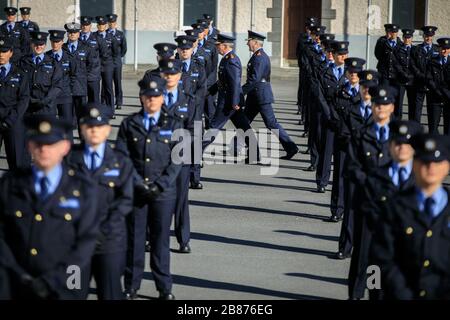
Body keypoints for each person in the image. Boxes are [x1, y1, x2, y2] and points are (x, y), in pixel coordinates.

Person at [0, 115, 99, 299]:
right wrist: (19, 275)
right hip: (18, 282)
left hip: (67, 282)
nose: (44, 149)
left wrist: (52, 281)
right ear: (29, 145)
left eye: (51, 144)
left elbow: (86, 242)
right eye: (38, 143)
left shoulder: (82, 188)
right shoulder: (10, 183)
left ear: (65, 147)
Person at [117, 75, 182, 300]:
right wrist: (138, 184)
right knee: (134, 241)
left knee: (160, 241)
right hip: (136, 192)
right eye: (147, 96)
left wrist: (159, 186)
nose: (151, 101)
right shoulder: (129, 124)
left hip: (163, 194)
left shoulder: (175, 125)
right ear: (141, 98)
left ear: (163, 98)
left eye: (156, 96)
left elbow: (177, 162)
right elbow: (122, 158)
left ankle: (164, 288)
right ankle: (131, 286)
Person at [66, 103, 134, 300]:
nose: (94, 130)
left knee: (110, 293)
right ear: (80, 128)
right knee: (72, 293)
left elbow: (126, 200)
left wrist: (99, 225)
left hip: (109, 243)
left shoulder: (120, 162)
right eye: (88, 126)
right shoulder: (67, 160)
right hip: (75, 245)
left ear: (108, 129)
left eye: (99, 126)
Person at [348, 120, 421, 300]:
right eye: (397, 143)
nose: (402, 148)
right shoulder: (375, 177)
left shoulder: (423, 181)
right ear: (390, 145)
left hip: (411, 252)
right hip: (381, 247)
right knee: (376, 287)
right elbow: (369, 208)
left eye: (407, 144)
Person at [371, 133, 450, 300]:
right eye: (425, 162)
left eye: (437, 162)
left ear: (447, 167)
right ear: (414, 164)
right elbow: (382, 259)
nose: (431, 168)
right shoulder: (395, 208)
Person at [158, 58, 196, 254]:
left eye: (174, 74)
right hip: (159, 157)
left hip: (181, 157)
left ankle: (183, 240)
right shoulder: (154, 98)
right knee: (157, 198)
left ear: (179, 76)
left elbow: (193, 129)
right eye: (167, 74)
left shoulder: (188, 99)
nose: (170, 77)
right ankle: (153, 237)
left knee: (181, 200)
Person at [242, 30, 298, 160]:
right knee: (243, 121)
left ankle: (291, 147)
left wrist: (240, 92)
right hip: (254, 96)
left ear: (255, 43)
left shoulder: (260, 57)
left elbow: (254, 79)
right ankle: (235, 147)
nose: (247, 44)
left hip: (261, 96)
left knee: (271, 123)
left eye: (249, 42)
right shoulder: (257, 56)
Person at [205, 33, 260, 163]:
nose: (217, 48)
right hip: (231, 101)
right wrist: (208, 93)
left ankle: (195, 154)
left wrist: (235, 102)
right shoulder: (226, 59)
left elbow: (235, 82)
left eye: (218, 45)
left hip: (229, 102)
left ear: (224, 46)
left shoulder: (231, 60)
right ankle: (255, 154)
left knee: (214, 126)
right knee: (244, 128)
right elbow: (222, 81)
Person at [174, 35, 207, 189]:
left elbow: (202, 88)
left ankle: (195, 179)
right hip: (177, 112)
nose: (184, 51)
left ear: (192, 49)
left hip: (194, 112)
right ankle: (178, 177)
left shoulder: (198, 66)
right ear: (178, 50)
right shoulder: (173, 67)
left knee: (195, 146)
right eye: (182, 49)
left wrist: (192, 102)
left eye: (187, 49)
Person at [0, 36, 29, 170]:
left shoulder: (20, 74)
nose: (1, 54)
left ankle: (15, 190)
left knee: (16, 160)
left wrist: (10, 119)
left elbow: (23, 99)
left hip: (13, 121)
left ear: (11, 53)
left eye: (5, 51)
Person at [63, 22, 98, 133]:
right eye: (70, 32)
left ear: (79, 34)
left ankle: (83, 141)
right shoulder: (62, 48)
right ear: (67, 34)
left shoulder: (86, 48)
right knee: (66, 116)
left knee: (81, 116)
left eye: (75, 32)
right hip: (65, 87)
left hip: (80, 86)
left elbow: (91, 65)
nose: (72, 34)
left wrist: (82, 76)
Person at [19, 31, 62, 116]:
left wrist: (44, 101)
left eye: (41, 44)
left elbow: (57, 86)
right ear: (31, 44)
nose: (38, 47)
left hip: (46, 108)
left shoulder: (53, 63)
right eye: (36, 44)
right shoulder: (23, 61)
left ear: (45, 45)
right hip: (26, 107)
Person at [46, 30, 74, 141]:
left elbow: (74, 76)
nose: (55, 44)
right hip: (51, 96)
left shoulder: (69, 57)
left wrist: (70, 91)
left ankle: (69, 150)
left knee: (66, 125)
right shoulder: (46, 56)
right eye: (53, 41)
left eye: (58, 41)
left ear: (62, 42)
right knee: (50, 125)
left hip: (65, 96)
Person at [410, 26, 439, 123]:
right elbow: (412, 64)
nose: (428, 38)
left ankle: (432, 132)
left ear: (433, 36)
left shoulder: (437, 49)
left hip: (432, 84)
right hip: (419, 82)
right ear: (423, 36)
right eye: (426, 35)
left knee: (432, 110)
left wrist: (432, 78)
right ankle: (416, 130)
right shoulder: (416, 49)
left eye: (430, 36)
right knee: (417, 110)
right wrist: (420, 75)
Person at [374, 24, 402, 118]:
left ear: (397, 33)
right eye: (391, 32)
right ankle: (384, 116)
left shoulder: (400, 43)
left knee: (397, 98)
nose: (392, 34)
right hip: (384, 73)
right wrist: (385, 41)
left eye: (394, 32)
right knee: (384, 94)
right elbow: (377, 54)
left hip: (396, 74)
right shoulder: (382, 41)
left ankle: (396, 118)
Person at [425, 37, 450, 135]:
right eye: (442, 48)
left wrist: (446, 93)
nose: (444, 51)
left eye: (447, 49)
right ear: (438, 48)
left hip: (449, 98)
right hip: (435, 97)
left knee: (448, 127)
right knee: (433, 125)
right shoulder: (432, 62)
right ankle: (433, 148)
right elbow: (429, 79)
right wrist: (438, 91)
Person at [95, 16, 116, 117]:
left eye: (103, 24)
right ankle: (97, 110)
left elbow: (116, 52)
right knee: (96, 89)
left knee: (108, 88)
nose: (101, 26)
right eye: (99, 24)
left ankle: (110, 111)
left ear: (106, 25)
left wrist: (112, 64)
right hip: (96, 66)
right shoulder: (93, 36)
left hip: (107, 65)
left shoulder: (111, 36)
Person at [79, 16, 103, 104]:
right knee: (81, 101)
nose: (85, 27)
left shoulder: (97, 38)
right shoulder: (76, 37)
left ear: (90, 26)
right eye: (83, 25)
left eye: (87, 25)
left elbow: (104, 54)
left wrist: (97, 66)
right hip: (80, 76)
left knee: (94, 100)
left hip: (93, 75)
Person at [106, 14, 127, 110]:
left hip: (117, 62)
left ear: (115, 23)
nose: (111, 24)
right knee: (107, 83)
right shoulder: (105, 33)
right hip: (107, 62)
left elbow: (124, 48)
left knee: (117, 81)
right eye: (110, 23)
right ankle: (107, 102)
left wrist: (119, 56)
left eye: (113, 23)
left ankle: (119, 101)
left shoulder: (120, 34)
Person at [394, 29, 415, 121]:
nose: (407, 39)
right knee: (398, 103)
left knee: (412, 103)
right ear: (402, 38)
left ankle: (411, 124)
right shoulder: (398, 49)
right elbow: (396, 63)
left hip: (412, 80)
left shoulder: (415, 49)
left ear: (412, 38)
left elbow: (417, 64)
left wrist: (412, 75)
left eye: (409, 38)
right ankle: (398, 123)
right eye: (405, 38)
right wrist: (402, 73)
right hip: (400, 79)